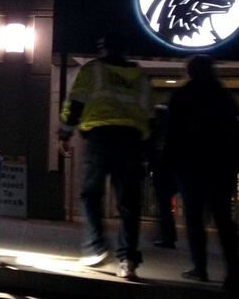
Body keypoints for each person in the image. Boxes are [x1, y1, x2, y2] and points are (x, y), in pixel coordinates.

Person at [59, 35, 151, 279]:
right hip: (132, 141)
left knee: (90, 194)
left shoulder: (93, 70)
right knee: (129, 203)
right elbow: (148, 114)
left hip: (100, 138)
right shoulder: (140, 77)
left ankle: (96, 247)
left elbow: (75, 103)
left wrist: (65, 133)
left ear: (102, 49)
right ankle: (128, 259)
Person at [164, 55, 238, 290]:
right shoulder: (224, 96)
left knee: (194, 218)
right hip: (221, 164)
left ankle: (200, 268)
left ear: (190, 71)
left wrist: (168, 161)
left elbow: (172, 132)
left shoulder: (181, 95)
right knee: (224, 219)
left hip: (191, 164)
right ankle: (233, 272)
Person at [147, 104, 177, 248]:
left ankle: (167, 236)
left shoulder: (157, 130)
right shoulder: (174, 129)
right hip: (174, 167)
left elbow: (150, 145)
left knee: (163, 202)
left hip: (161, 167)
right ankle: (168, 235)